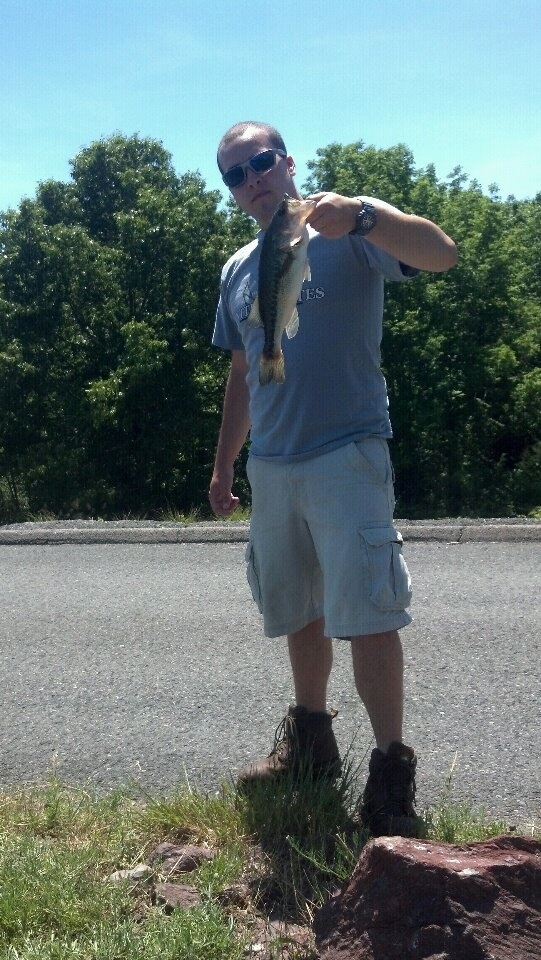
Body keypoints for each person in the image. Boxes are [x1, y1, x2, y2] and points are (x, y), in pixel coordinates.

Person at [209, 121, 457, 837]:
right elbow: (240, 373)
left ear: (286, 162)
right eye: (234, 173)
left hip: (347, 451)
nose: (251, 178)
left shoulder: (347, 222)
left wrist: (368, 217)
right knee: (298, 610)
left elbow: (441, 255)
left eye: (259, 162)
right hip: (273, 464)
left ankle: (389, 777)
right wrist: (225, 462)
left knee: (368, 612)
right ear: (230, 191)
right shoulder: (236, 268)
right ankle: (311, 747)